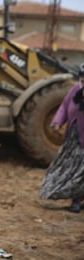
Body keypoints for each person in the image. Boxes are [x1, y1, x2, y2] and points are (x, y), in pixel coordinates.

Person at [39, 66, 84, 213]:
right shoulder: (75, 89)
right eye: (82, 79)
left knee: (81, 170)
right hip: (73, 137)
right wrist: (58, 121)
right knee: (71, 168)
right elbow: (64, 106)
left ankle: (78, 200)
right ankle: (74, 197)